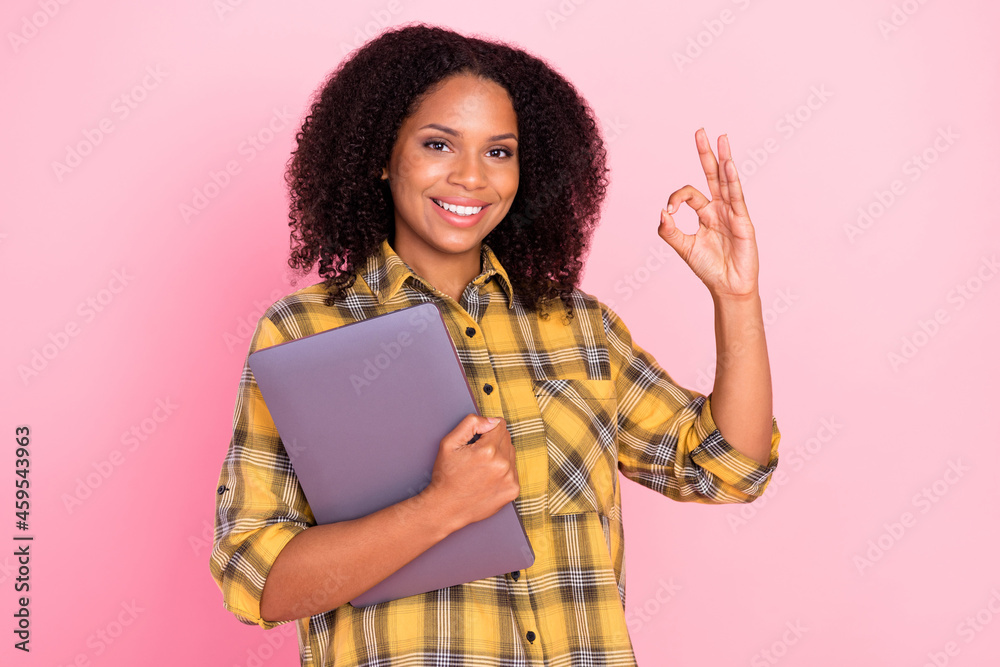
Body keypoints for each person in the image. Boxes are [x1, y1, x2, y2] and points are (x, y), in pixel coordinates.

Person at [209, 22, 781, 667]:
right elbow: (256, 580)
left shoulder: (581, 327)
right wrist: (441, 509)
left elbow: (730, 468)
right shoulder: (308, 330)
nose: (470, 177)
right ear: (380, 154)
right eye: (437, 144)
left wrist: (736, 300)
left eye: (499, 152)